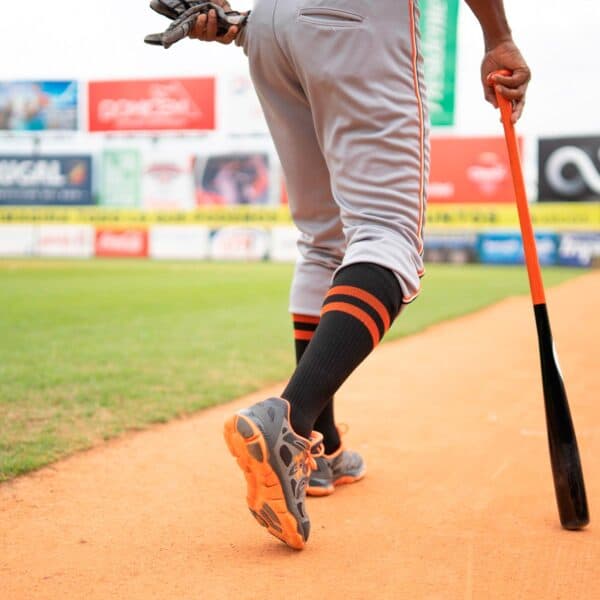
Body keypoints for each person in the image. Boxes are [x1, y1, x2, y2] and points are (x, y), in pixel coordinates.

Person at [190, 0, 531, 549]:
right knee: (387, 233)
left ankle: (321, 450)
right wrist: (498, 35)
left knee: (323, 243)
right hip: (355, 22)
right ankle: (292, 423)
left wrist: (226, 15)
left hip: (269, 29)